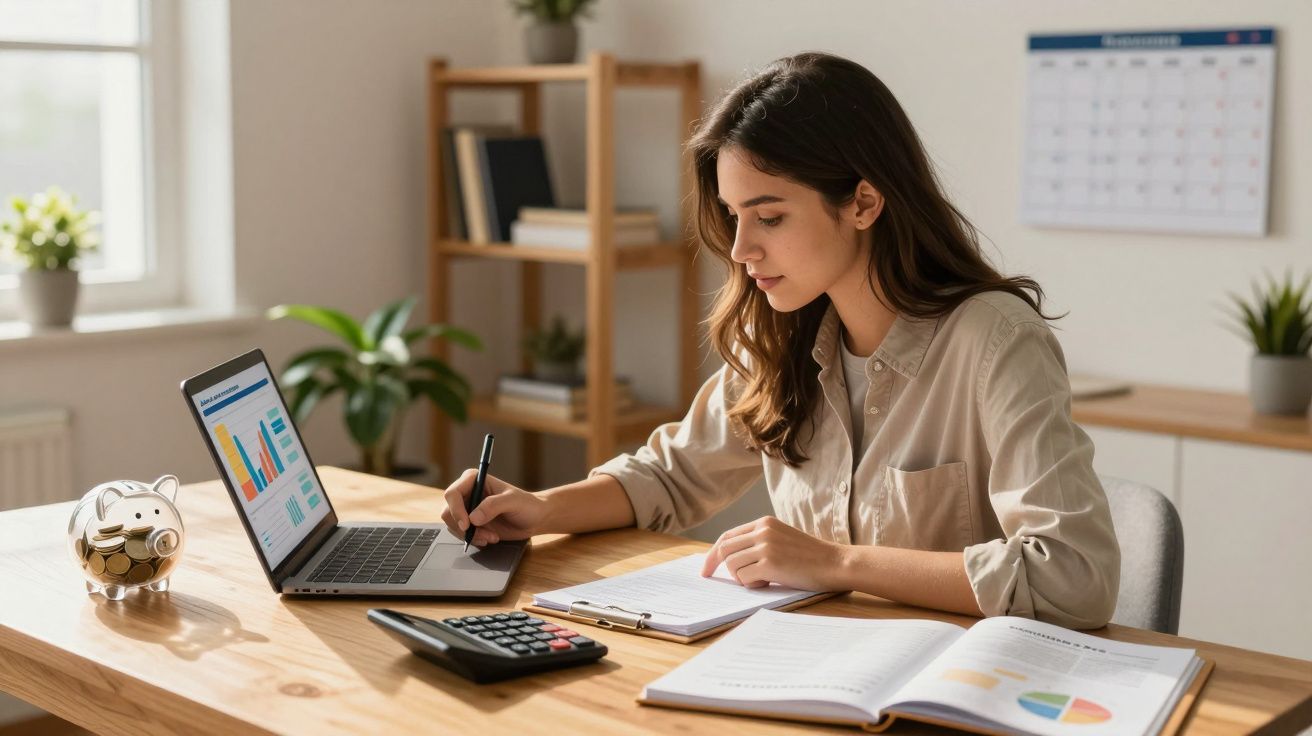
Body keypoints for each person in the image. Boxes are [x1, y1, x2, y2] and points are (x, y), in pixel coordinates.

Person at [441, 51, 1120, 629]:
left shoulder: (996, 342)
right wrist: (540, 509)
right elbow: (670, 476)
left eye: (768, 217)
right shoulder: (786, 334)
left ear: (862, 203)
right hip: (814, 673)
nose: (740, 249)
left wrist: (834, 563)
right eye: (735, 217)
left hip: (952, 691)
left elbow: (1074, 577)